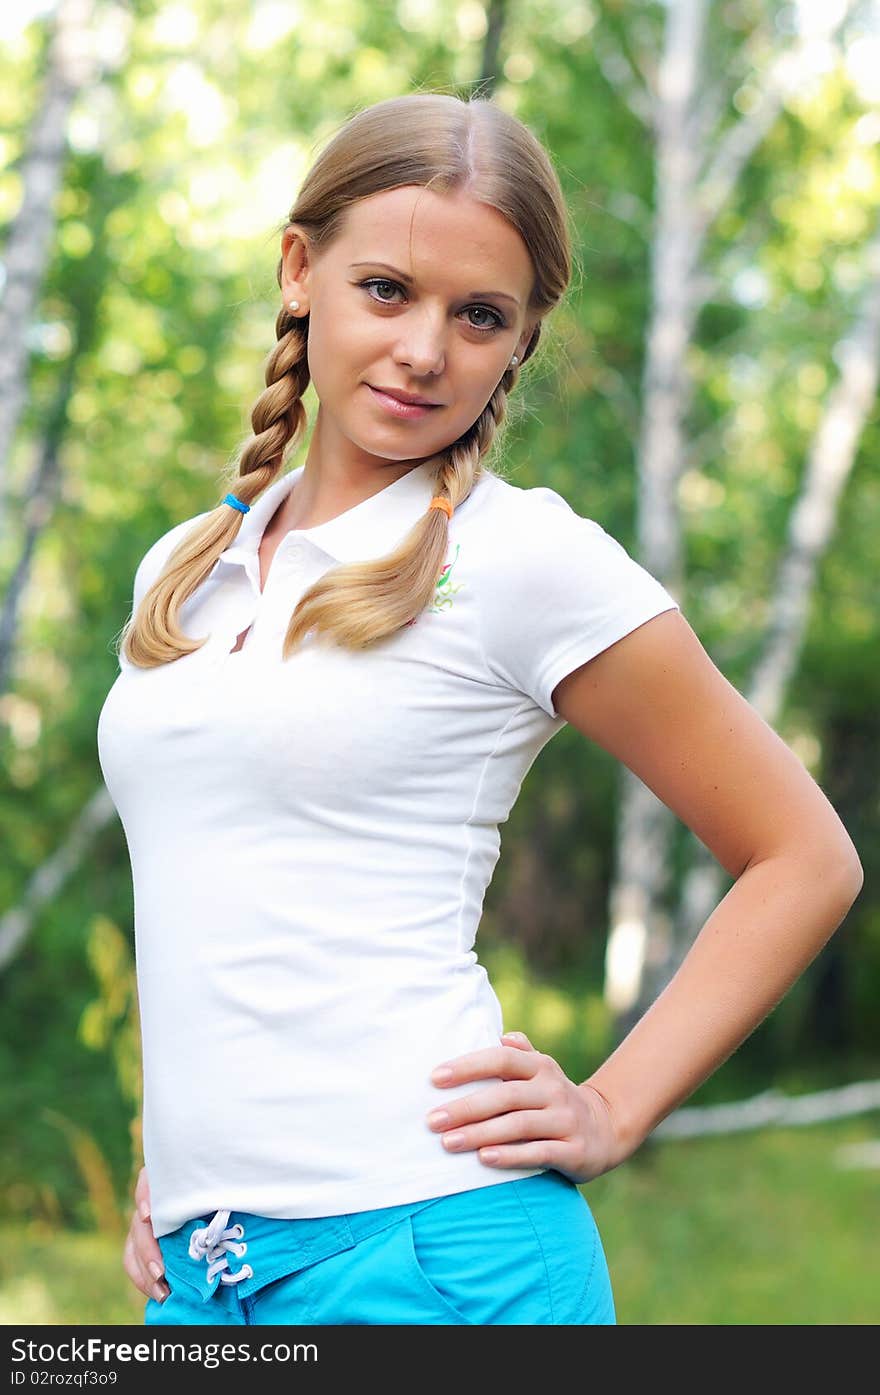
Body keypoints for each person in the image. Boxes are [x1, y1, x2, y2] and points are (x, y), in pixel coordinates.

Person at [97, 91, 863, 1328]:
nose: (423, 350)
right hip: (205, 1273)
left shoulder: (523, 561)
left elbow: (803, 856)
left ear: (521, 339)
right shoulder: (188, 563)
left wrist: (612, 1106)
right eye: (387, 290)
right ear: (301, 272)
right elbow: (223, 893)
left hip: (439, 1259)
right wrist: (183, 1161)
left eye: (480, 316)